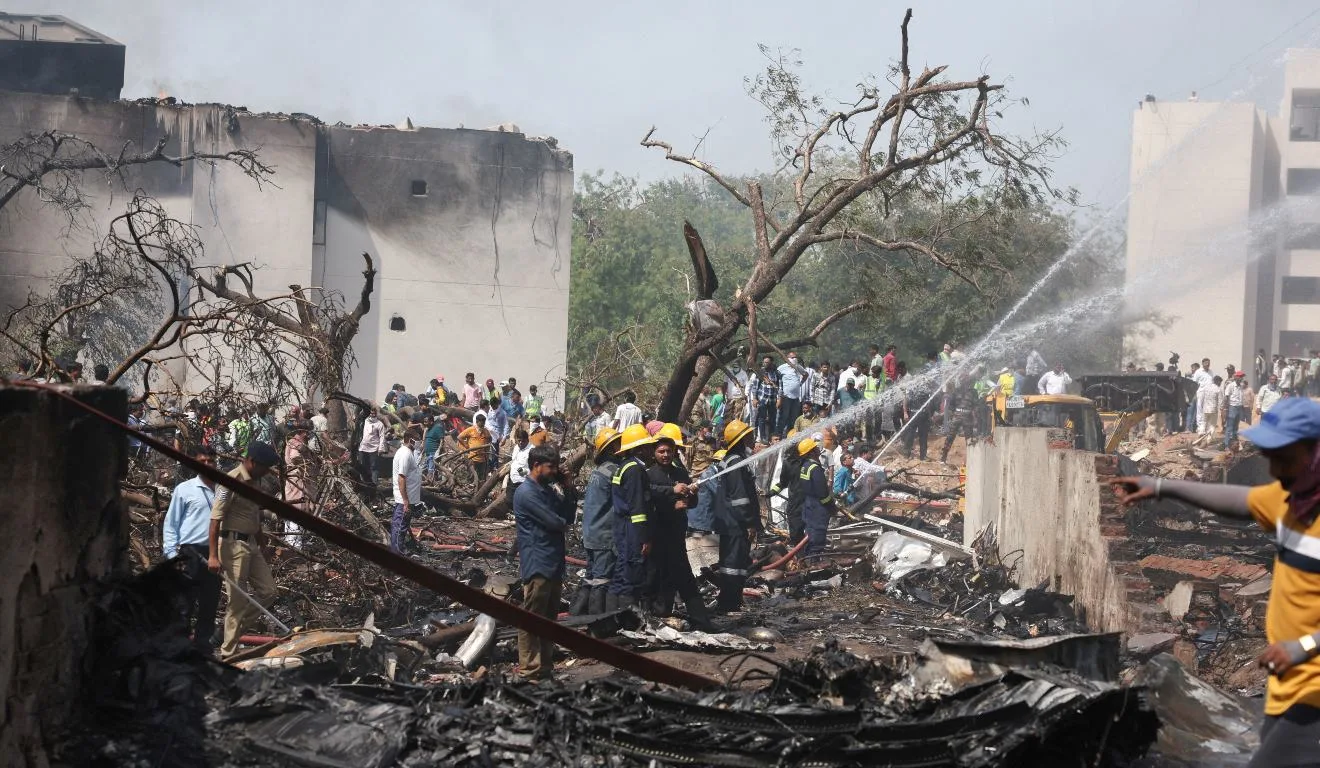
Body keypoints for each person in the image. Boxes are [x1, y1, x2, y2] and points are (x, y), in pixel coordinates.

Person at [1111, 398, 1320, 766]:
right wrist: (1161, 486)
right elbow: (1240, 501)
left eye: (1283, 456)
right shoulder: (1294, 501)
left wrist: (1302, 646)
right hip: (1289, 686)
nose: (1273, 468)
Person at [512, 444, 578, 682]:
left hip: (553, 561)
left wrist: (568, 488)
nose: (554, 471)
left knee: (549, 619)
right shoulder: (527, 493)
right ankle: (530, 669)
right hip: (537, 561)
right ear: (536, 465)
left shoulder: (547, 490)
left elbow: (568, 516)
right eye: (551, 467)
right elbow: (557, 522)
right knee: (532, 619)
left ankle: (545, 666)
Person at [208, 442, 280, 659]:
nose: (267, 471)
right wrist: (212, 555)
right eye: (265, 466)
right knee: (237, 602)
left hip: (252, 544)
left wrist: (262, 541)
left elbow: (254, 514)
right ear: (252, 462)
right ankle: (229, 652)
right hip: (232, 546)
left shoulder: (256, 482)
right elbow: (215, 520)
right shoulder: (230, 482)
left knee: (269, 592)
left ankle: (230, 632)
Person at [644, 427, 713, 629]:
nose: (665, 455)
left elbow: (691, 501)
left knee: (683, 577)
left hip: (676, 534)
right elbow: (646, 497)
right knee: (654, 576)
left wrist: (690, 496)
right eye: (661, 451)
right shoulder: (649, 475)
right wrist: (671, 495)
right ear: (654, 453)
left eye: (669, 451)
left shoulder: (681, 472)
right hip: (657, 535)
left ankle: (702, 621)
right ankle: (652, 616)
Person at [162, 445, 221, 654]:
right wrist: (171, 555)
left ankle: (202, 647)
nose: (207, 465)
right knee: (184, 603)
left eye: (210, 461)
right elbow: (171, 524)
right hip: (189, 552)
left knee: (209, 603)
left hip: (214, 554)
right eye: (202, 461)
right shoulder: (184, 489)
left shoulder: (223, 490)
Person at [712, 419, 760, 612]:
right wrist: (749, 522)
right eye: (748, 435)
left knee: (736, 564)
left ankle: (732, 601)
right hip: (736, 523)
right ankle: (729, 603)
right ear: (741, 439)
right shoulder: (736, 462)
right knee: (733, 564)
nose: (752, 437)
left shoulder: (735, 460)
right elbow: (740, 497)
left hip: (732, 522)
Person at [574, 428, 622, 615]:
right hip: (603, 535)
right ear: (611, 449)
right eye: (618, 444)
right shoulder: (614, 472)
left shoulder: (599, 471)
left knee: (590, 576)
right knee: (602, 580)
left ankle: (575, 614)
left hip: (591, 533)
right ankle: (596, 621)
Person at [608, 424, 656, 609]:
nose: (650, 450)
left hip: (623, 525)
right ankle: (623, 617)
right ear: (639, 448)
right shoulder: (635, 470)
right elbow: (638, 506)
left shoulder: (625, 466)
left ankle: (611, 617)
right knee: (631, 573)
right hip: (631, 529)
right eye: (647, 446)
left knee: (622, 571)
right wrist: (643, 538)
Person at [797, 438, 836, 561]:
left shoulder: (805, 466)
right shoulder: (815, 468)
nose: (818, 448)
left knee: (810, 533)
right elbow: (823, 493)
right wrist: (831, 506)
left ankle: (809, 559)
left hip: (808, 503)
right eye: (815, 447)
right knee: (818, 535)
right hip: (817, 507)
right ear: (811, 452)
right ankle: (814, 564)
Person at [389, 425, 423, 552]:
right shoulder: (405, 454)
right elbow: (401, 478)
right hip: (404, 500)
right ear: (410, 440)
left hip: (408, 499)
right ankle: (396, 554)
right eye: (417, 439)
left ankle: (399, 551)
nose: (419, 442)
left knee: (402, 527)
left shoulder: (409, 453)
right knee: (399, 528)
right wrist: (405, 501)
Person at [941, 376, 977, 464]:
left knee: (969, 438)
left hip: (968, 416)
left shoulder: (973, 392)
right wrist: (953, 414)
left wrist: (975, 417)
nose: (964, 382)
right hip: (957, 415)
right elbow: (951, 404)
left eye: (966, 380)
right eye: (963, 380)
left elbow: (975, 405)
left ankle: (970, 460)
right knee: (950, 436)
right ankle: (943, 457)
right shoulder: (956, 391)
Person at [357, 406, 388, 488]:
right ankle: (363, 484)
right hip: (363, 448)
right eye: (371, 413)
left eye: (374, 413)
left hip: (374, 449)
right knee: (363, 467)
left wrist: (381, 448)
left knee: (374, 467)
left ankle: (373, 485)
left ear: (376, 414)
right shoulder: (364, 421)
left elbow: (382, 437)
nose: (372, 415)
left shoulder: (379, 424)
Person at [777, 352, 806, 438]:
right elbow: (778, 382)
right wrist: (779, 397)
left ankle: (790, 435)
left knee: (794, 418)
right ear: (787, 358)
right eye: (792, 357)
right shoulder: (781, 368)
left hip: (796, 397)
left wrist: (800, 383)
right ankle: (779, 435)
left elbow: (805, 374)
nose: (794, 359)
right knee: (784, 416)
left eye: (795, 357)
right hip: (786, 397)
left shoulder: (798, 367)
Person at [458, 413, 493, 483]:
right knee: (471, 475)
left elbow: (490, 439)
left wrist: (487, 450)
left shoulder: (485, 431)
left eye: (484, 422)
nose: (483, 424)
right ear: (477, 422)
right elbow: (459, 437)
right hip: (472, 457)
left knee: (481, 477)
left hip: (482, 459)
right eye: (481, 422)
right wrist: (466, 446)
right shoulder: (471, 430)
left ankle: (479, 490)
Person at [753, 356, 780, 443]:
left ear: (771, 363)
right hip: (763, 399)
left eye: (767, 362)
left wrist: (779, 399)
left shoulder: (777, 373)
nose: (765, 364)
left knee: (772, 419)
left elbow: (780, 387)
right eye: (764, 362)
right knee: (762, 419)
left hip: (772, 399)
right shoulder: (761, 372)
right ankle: (763, 438)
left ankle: (771, 437)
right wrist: (754, 398)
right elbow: (755, 386)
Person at [1225, 372, 1247, 449]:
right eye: (1240, 376)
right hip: (1232, 407)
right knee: (1229, 427)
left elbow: (1241, 398)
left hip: (1239, 407)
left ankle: (1234, 445)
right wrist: (1227, 409)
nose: (1241, 378)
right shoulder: (1230, 385)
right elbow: (1227, 397)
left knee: (1236, 427)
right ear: (1236, 377)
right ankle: (1227, 445)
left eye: (1242, 377)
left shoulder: (1241, 386)